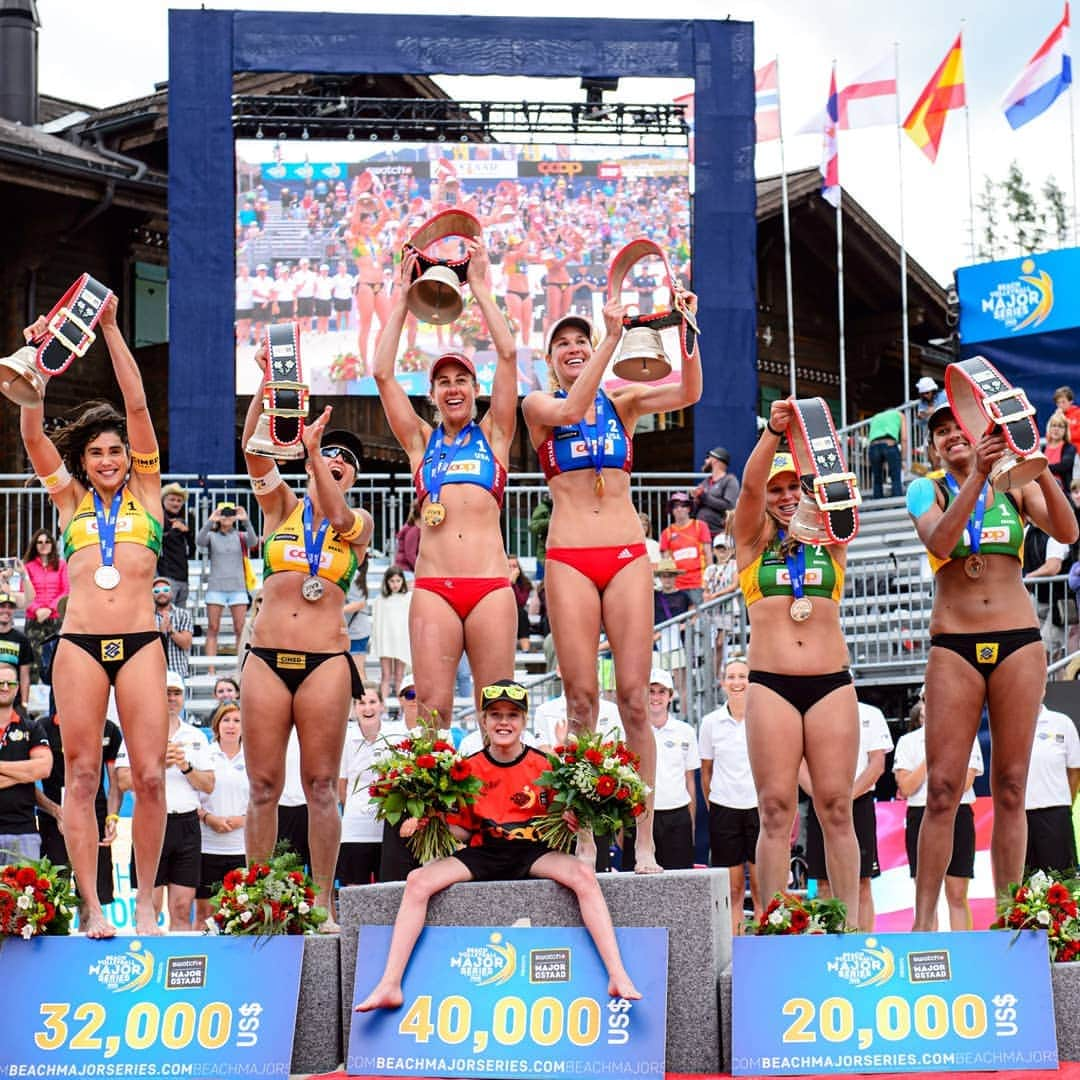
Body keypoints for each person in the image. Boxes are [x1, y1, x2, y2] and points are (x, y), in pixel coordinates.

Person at [523, 294, 702, 875]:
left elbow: (689, 392)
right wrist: (609, 338)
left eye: (582, 340)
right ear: (551, 360)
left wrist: (686, 329)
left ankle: (643, 842)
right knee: (580, 704)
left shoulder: (623, 402)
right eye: (564, 344)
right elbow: (575, 409)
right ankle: (584, 838)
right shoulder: (538, 405)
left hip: (625, 553)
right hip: (570, 556)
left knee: (632, 700)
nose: (575, 348)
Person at [14, 294, 167, 938]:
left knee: (151, 776)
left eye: (116, 452)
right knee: (81, 776)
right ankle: (93, 905)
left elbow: (135, 405)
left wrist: (109, 331)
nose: (109, 460)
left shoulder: (151, 492)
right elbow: (30, 433)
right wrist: (35, 372)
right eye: (98, 453)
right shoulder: (70, 500)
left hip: (138, 641)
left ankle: (151, 905)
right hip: (77, 644)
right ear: (85, 460)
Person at [355, 680, 641, 1012]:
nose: (503, 722)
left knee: (583, 875)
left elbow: (561, 817)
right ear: (484, 721)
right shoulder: (467, 768)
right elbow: (462, 831)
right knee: (418, 881)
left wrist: (571, 820)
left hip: (533, 851)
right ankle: (390, 984)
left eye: (512, 715)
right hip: (484, 851)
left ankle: (617, 975)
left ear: (523, 721)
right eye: (495, 715)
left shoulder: (544, 765)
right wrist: (430, 819)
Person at [905, 399, 1078, 929]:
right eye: (940, 431)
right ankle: (922, 922)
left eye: (957, 426)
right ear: (933, 445)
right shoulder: (926, 488)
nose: (950, 436)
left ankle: (1011, 915)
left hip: (1018, 640)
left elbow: (1068, 532)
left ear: (979, 429)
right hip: (953, 643)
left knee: (1010, 784)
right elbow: (941, 541)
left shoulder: (1014, 483)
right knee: (942, 788)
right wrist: (977, 475)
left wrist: (1039, 467)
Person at [241, 359, 373, 931]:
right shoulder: (280, 510)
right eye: (329, 457)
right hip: (267, 658)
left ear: (352, 477)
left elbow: (338, 513)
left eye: (345, 462)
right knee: (264, 785)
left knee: (321, 785)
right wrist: (270, 391)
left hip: (325, 662)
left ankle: (321, 901)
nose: (335, 464)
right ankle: (259, 896)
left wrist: (316, 452)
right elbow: (253, 452)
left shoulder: (358, 522)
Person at [374, 241, 519, 721]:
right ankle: (435, 800)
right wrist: (400, 300)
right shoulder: (420, 441)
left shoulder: (495, 435)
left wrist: (478, 287)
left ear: (475, 392)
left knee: (497, 710)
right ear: (433, 395)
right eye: (444, 382)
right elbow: (381, 373)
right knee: (431, 711)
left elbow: (508, 353)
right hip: (434, 586)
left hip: (490, 586)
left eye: (462, 380)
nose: (453, 388)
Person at [731, 407, 861, 924]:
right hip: (771, 685)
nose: (787, 497)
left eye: (796, 488)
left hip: (831, 684)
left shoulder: (832, 540)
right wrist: (772, 432)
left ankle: (849, 926)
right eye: (778, 489)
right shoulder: (750, 542)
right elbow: (746, 488)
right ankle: (773, 921)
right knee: (776, 811)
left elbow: (832, 482)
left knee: (836, 808)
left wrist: (810, 438)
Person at [118, 672, 214, 932]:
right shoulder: (137, 732)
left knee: (182, 909)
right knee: (150, 906)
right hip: (150, 823)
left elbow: (208, 785)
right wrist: (158, 765)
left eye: (176, 693)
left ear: (183, 698)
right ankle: (147, 964)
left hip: (186, 825)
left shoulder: (196, 736)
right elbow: (123, 781)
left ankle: (179, 966)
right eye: (167, 692)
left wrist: (185, 766)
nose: (171, 698)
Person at [801, 700, 893, 932]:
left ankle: (862, 943)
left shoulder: (870, 713)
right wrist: (820, 795)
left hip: (858, 801)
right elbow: (799, 763)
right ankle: (828, 944)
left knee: (862, 881)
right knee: (823, 882)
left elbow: (877, 764)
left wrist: (847, 797)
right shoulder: (809, 712)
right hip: (821, 802)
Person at [894, 696, 982, 931]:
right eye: (927, 700)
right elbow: (907, 787)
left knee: (957, 892)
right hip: (920, 813)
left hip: (958, 813)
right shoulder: (908, 741)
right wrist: (932, 754)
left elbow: (965, 782)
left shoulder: (966, 737)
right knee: (926, 895)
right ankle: (929, 952)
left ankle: (962, 951)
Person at [37, 704, 122, 924]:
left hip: (95, 816)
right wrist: (56, 811)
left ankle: (88, 947)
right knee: (53, 897)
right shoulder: (43, 727)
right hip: (54, 819)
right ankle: (56, 953)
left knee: (91, 898)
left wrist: (112, 817)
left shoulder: (109, 729)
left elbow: (115, 784)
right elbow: (29, 783)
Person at [698, 656, 760, 931]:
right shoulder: (710, 723)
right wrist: (717, 803)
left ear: (752, 681)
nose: (737, 682)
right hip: (724, 809)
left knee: (763, 891)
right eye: (731, 676)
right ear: (723, 683)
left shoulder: (765, 718)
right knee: (733, 891)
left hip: (759, 808)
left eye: (742, 676)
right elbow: (706, 772)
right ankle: (737, 947)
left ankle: (765, 945)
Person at [622, 669, 698, 872]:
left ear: (670, 696)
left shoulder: (686, 732)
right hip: (639, 814)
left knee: (679, 883)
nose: (656, 697)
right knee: (635, 885)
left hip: (676, 815)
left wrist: (690, 822)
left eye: (661, 691)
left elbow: (689, 780)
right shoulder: (628, 733)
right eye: (651, 691)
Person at [194, 701, 248, 926]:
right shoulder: (204, 754)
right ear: (216, 725)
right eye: (226, 720)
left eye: (237, 721)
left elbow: (263, 799)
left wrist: (243, 820)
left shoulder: (253, 757)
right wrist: (208, 818)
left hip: (241, 847)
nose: (231, 726)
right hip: (207, 847)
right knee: (205, 915)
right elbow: (191, 797)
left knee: (241, 913)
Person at [0, 663, 51, 860]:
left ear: (18, 687)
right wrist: (25, 774)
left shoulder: (32, 728)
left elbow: (43, 768)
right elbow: (33, 770)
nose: (5, 687)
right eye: (0, 682)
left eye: (9, 683)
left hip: (23, 832)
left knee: (25, 892)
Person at [196, 502, 257, 665]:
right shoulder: (212, 536)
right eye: (224, 513)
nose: (227, 516)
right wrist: (211, 520)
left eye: (230, 513)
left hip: (238, 588)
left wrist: (245, 520)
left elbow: (254, 542)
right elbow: (199, 541)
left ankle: (240, 666)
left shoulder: (241, 536)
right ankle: (210, 669)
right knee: (213, 628)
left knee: (240, 630)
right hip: (216, 588)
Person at [1023, 701, 1080, 875]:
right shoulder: (1006, 722)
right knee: (1021, 885)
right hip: (1019, 818)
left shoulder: (1062, 722)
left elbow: (1075, 769)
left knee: (1062, 882)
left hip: (1055, 814)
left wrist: (1065, 805)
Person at [337, 686, 386, 886]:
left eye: (372, 702)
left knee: (388, 892)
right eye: (361, 703)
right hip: (354, 829)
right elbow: (342, 785)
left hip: (387, 829)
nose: (367, 708)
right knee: (355, 891)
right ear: (354, 708)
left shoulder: (396, 736)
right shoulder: (345, 740)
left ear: (382, 706)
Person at [22, 528, 68, 677]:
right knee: (33, 662)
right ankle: (32, 698)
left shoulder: (61, 565)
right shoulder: (27, 567)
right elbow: (24, 592)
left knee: (56, 660)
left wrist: (49, 609)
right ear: (35, 545)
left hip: (55, 619)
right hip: (34, 620)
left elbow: (66, 590)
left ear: (52, 544)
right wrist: (37, 610)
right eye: (39, 542)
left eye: (47, 541)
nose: (43, 545)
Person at [659, 491, 712, 606]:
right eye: (675, 506)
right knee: (679, 622)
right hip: (677, 587)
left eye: (683, 505)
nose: (679, 509)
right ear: (672, 510)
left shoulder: (700, 526)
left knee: (701, 621)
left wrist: (709, 584)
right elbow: (666, 564)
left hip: (699, 584)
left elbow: (708, 555)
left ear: (688, 509)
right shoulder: (666, 533)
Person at [371, 567, 412, 703]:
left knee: (400, 676)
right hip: (386, 641)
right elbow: (377, 623)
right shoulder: (380, 600)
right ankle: (383, 708)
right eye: (392, 581)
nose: (395, 584)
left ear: (403, 581)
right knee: (386, 675)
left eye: (398, 580)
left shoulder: (408, 598)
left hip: (401, 640)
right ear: (387, 582)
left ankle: (402, 709)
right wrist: (376, 643)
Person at [158, 482, 195, 607]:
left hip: (183, 577)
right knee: (165, 614)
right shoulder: (158, 518)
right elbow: (160, 542)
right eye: (172, 499)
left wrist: (187, 532)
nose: (175, 503)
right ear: (163, 500)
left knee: (180, 616)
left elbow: (192, 551)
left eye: (179, 500)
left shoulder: (185, 519)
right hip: (166, 576)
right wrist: (174, 530)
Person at [693, 447, 740, 539]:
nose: (705, 460)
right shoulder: (705, 482)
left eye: (708, 457)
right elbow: (695, 510)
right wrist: (695, 500)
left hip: (719, 535)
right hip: (700, 533)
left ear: (715, 460)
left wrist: (703, 496)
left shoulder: (730, 480)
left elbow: (729, 506)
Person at [153, 577, 193, 681]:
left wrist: (171, 630)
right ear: (151, 594)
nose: (161, 593)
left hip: (178, 672)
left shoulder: (183, 614)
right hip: (153, 672)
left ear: (171, 593)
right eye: (156, 591)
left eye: (165, 590)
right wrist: (160, 633)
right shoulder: (147, 616)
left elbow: (186, 644)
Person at [0, 592, 33, 712]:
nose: (6, 610)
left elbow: (25, 675)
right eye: (2, 606)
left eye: (10, 607)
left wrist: (24, 704)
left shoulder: (22, 640)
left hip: (13, 702)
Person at [866, 406, 908, 500]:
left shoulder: (876, 417)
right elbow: (904, 438)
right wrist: (903, 459)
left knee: (877, 479)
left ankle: (877, 505)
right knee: (895, 477)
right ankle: (897, 506)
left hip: (873, 446)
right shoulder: (899, 415)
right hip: (890, 444)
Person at [508, 555, 534, 652]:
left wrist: (512, 583)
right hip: (501, 614)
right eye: (509, 566)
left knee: (521, 612)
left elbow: (521, 601)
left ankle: (525, 650)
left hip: (517, 614)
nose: (512, 569)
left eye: (514, 566)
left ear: (519, 569)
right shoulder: (498, 581)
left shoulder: (524, 583)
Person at [1045, 412, 1076, 493]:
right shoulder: (1044, 448)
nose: (1056, 429)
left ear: (1065, 430)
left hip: (1062, 492)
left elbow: (1064, 466)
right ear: (1049, 428)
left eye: (1060, 426)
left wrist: (1043, 468)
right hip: (1044, 489)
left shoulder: (1069, 447)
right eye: (1054, 425)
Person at [393, 504, 421, 573]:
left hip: (407, 569)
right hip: (406, 570)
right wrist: (421, 570)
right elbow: (410, 555)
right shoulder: (413, 529)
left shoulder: (414, 527)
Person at [1053, 386, 1080, 451]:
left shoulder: (1078, 413)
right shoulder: (1056, 416)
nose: (1060, 405)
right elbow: (1050, 435)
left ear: (1071, 401)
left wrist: (1062, 434)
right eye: (1058, 402)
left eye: (1063, 402)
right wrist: (1057, 418)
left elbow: (1078, 434)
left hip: (1076, 452)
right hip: (1059, 451)